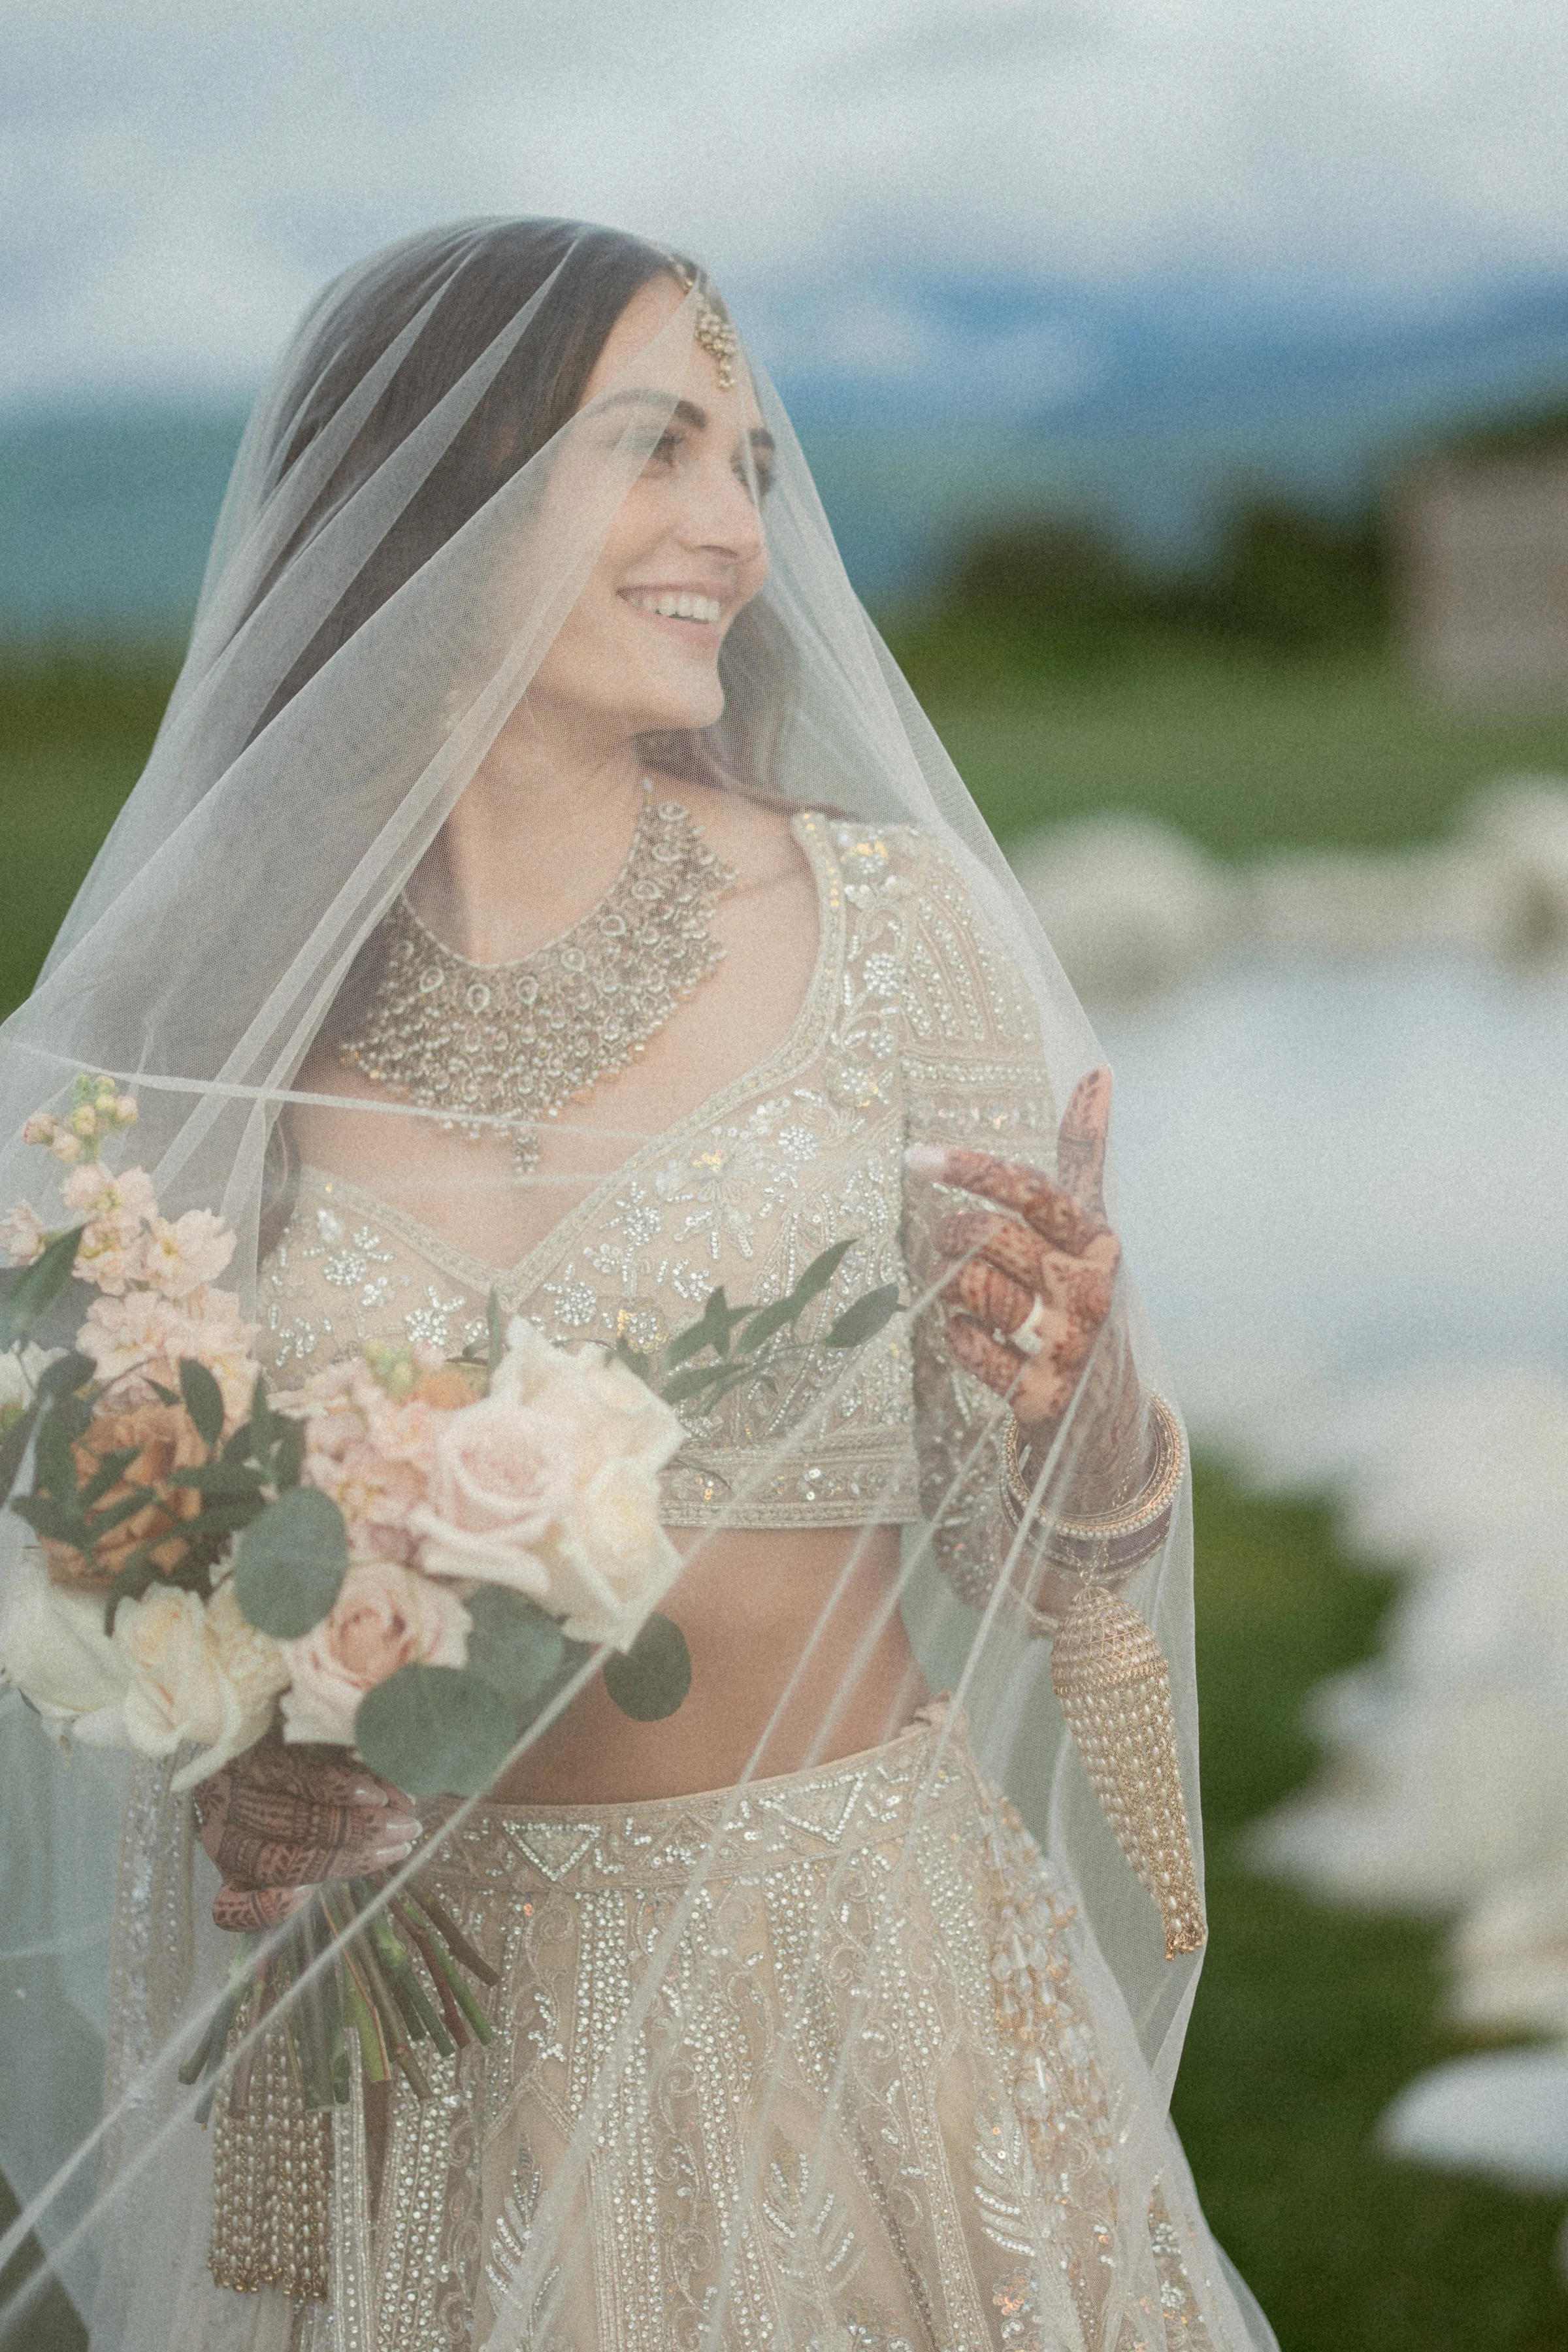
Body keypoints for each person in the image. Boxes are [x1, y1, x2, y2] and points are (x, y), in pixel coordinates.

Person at [0, 220, 1273, 2351]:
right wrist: (229, 1737)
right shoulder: (201, 1007)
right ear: (433, 487)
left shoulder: (895, 933)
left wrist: (1083, 1409)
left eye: (750, 466)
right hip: (419, 2050)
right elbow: (124, 1516)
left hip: (859, 1997)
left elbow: (1019, 1535)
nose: (736, 536)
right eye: (654, 450)